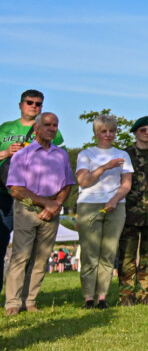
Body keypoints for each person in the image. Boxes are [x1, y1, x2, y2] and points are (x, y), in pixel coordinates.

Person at [4, 112, 73, 314]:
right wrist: (46, 204)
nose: (52, 128)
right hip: (26, 205)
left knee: (41, 259)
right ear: (36, 129)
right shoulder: (22, 155)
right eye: (47, 125)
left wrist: (57, 204)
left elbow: (68, 183)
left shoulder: (61, 155)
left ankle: (30, 301)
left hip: (52, 209)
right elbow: (15, 190)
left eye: (55, 125)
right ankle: (13, 303)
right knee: (21, 256)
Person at [75, 114, 134, 308]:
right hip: (89, 204)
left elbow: (126, 184)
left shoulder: (123, 155)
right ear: (96, 133)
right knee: (90, 254)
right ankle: (88, 298)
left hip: (116, 205)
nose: (108, 135)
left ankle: (102, 297)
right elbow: (83, 181)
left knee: (108, 253)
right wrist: (105, 167)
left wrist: (115, 200)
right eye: (104, 131)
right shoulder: (86, 154)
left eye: (112, 131)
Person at [118, 115, 148, 302]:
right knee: (127, 256)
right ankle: (126, 295)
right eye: (143, 130)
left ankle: (145, 293)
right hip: (130, 212)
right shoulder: (125, 154)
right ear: (135, 132)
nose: (147, 133)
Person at [0, 89, 46, 267]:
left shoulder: (49, 129)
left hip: (31, 195)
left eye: (38, 104)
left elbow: (60, 162)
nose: (33, 106)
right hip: (4, 193)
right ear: (21, 105)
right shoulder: (5, 128)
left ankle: (23, 294)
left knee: (28, 248)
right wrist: (6, 152)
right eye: (29, 102)